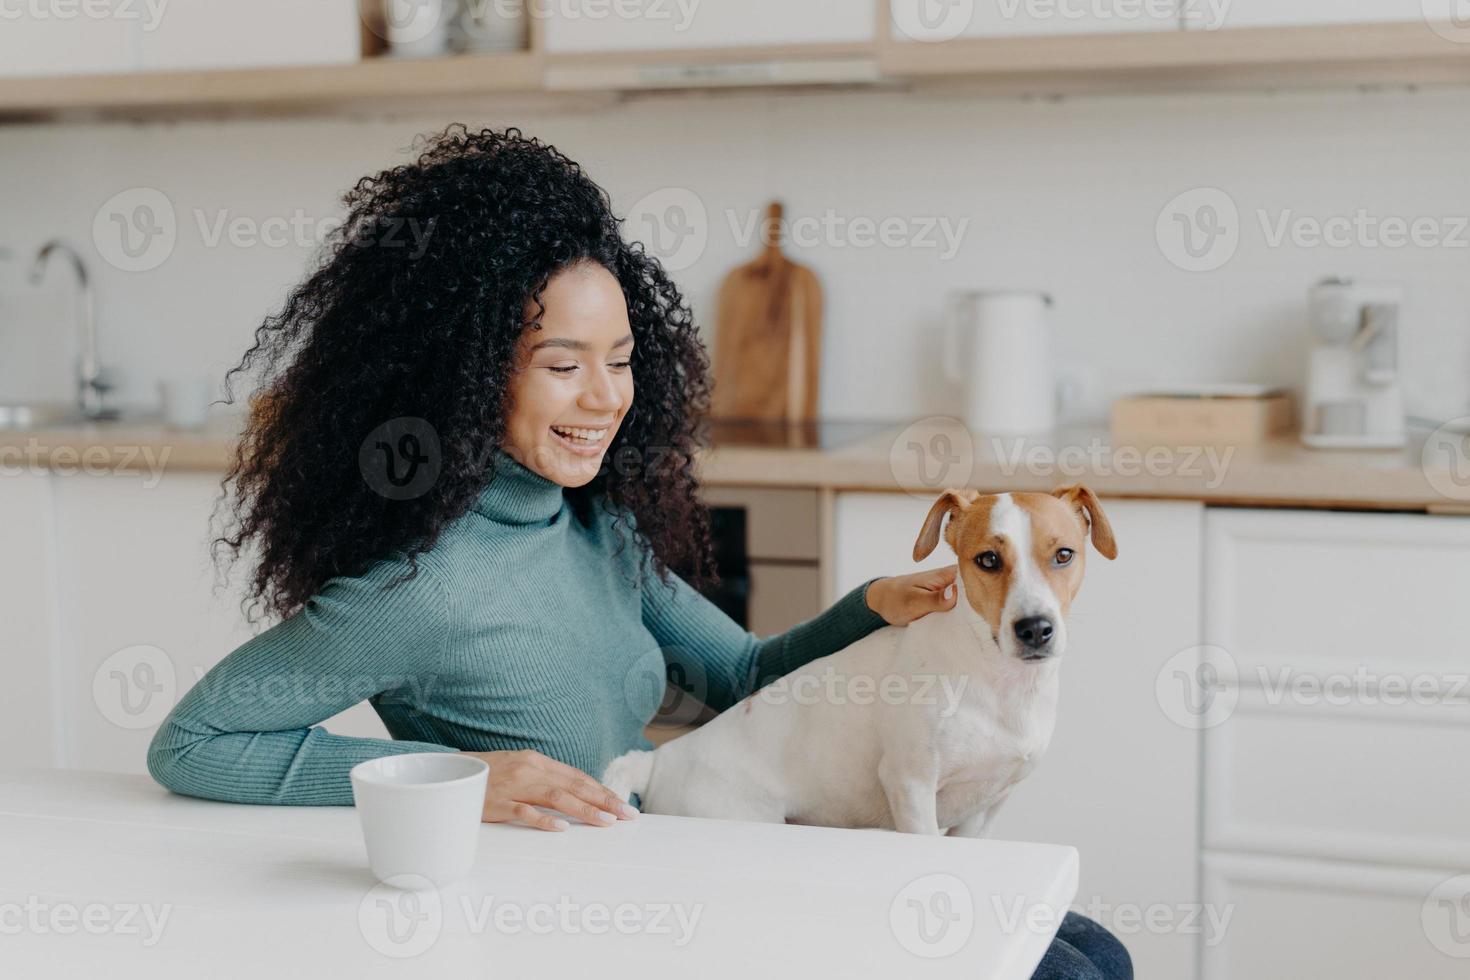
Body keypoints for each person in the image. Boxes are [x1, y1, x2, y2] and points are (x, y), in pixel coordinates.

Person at [146, 125, 1129, 980]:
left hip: (690, 853)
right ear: (464, 371)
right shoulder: (417, 588)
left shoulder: (599, 531)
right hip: (580, 925)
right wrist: (461, 777)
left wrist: (875, 601)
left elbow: (741, 675)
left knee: (1093, 950)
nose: (606, 396)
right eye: (562, 365)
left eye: (619, 361)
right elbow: (194, 742)